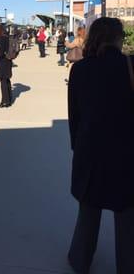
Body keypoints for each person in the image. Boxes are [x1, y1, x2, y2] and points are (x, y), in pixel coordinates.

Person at [67, 17, 134, 274]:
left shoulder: (80, 69)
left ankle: (80, 260)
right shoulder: (130, 65)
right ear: (119, 38)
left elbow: (75, 116)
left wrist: (78, 148)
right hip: (127, 154)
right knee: (127, 216)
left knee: (88, 212)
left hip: (91, 151)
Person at [0, 23, 12, 107]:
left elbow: (1, 52)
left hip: (2, 62)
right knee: (7, 80)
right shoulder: (8, 37)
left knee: (3, 82)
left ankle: (4, 101)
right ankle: (9, 100)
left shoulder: (1, 38)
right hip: (8, 61)